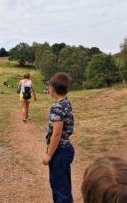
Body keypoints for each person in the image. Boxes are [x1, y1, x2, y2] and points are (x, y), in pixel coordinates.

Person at [42, 73, 74, 203]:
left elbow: (56, 134)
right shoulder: (66, 102)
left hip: (59, 152)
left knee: (61, 191)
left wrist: (49, 155)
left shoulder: (57, 107)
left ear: (52, 89)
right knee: (61, 186)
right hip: (65, 149)